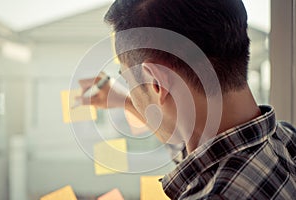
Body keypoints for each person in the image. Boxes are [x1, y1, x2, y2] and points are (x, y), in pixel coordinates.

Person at [79, 0, 296, 199]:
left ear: (156, 82)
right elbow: (190, 138)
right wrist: (124, 99)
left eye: (127, 80)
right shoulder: (287, 140)